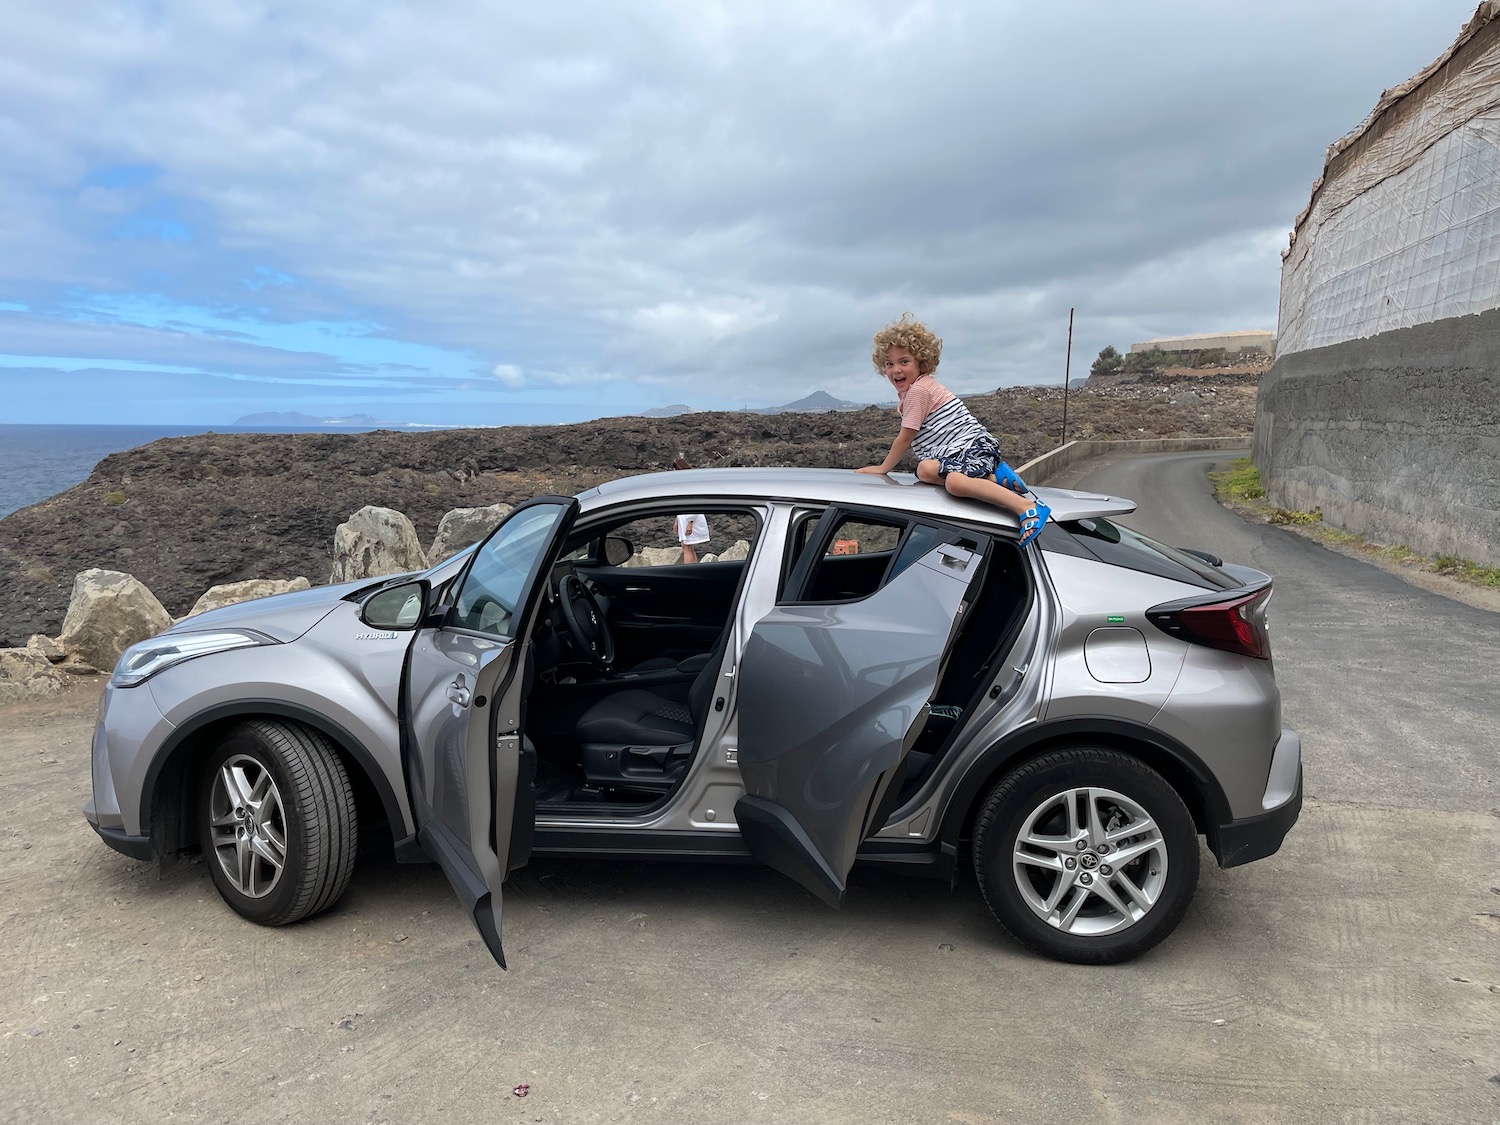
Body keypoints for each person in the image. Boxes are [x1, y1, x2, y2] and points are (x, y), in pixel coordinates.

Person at [857, 313, 1050, 546]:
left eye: (904, 361)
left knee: (955, 484)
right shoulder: (916, 389)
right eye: (890, 364)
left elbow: (905, 438)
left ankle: (1027, 507)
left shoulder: (919, 392)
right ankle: (992, 477)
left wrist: (883, 468)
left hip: (972, 447)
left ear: (921, 362)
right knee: (925, 469)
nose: (896, 369)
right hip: (956, 452)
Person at [671, 456, 711, 562]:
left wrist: (690, 521)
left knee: (687, 548)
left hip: (690, 516)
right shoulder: (685, 483)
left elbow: (694, 502)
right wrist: (677, 520)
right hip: (684, 516)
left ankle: (689, 570)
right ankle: (695, 568)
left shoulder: (689, 484)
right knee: (688, 547)